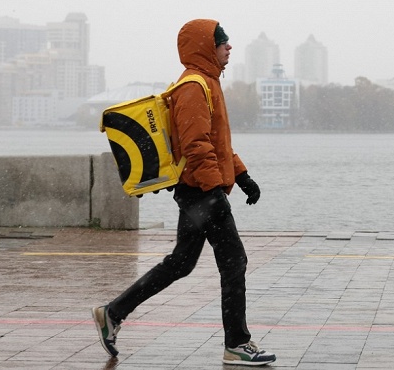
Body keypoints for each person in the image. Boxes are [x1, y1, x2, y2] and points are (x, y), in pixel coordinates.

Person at [92, 19, 275, 366]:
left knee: (181, 263)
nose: (229, 46)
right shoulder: (193, 87)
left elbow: (218, 144)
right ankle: (237, 343)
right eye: (222, 41)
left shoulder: (207, 84)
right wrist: (215, 192)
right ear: (207, 47)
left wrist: (242, 175)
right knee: (234, 261)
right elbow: (196, 146)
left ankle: (113, 313)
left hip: (197, 190)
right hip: (201, 192)